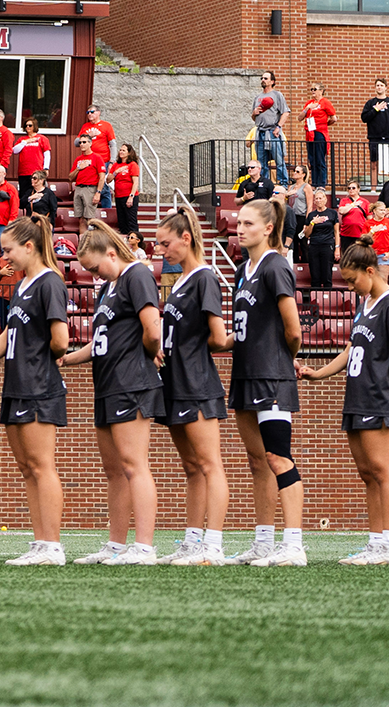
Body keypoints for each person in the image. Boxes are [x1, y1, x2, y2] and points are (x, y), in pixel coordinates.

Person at [299, 241, 389, 566]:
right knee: (367, 474)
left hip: (380, 396)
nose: (349, 287)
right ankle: (375, 544)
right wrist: (319, 374)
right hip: (357, 396)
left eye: (352, 280)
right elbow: (351, 350)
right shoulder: (365, 303)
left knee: (382, 471)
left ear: (370, 271)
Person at [64, 222, 165, 566]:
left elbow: (152, 329)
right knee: (114, 471)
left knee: (135, 465)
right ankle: (116, 545)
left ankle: (145, 547)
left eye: (95, 267)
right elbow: (101, 340)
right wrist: (68, 359)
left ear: (111, 253)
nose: (94, 275)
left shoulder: (136, 275)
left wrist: (147, 354)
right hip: (107, 384)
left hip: (131, 382)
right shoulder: (109, 287)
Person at [0, 215, 71, 565]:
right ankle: (40, 541)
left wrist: (43, 357)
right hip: (17, 383)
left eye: (9, 250)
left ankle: (52, 546)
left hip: (38, 384)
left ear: (29, 247)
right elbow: (9, 332)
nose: (5, 257)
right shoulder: (24, 284)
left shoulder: (49, 282)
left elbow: (61, 340)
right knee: (28, 468)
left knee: (41, 466)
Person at [213, 199, 306, 566]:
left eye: (249, 223)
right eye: (239, 222)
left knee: (278, 457)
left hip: (271, 376)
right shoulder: (242, 270)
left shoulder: (276, 265)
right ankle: (263, 542)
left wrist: (284, 358)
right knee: (257, 461)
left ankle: (294, 545)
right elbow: (244, 330)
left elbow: (293, 330)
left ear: (268, 228)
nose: (240, 228)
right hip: (245, 374)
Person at [153, 208, 237, 566]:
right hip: (174, 381)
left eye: (165, 243)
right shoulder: (181, 280)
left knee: (209, 464)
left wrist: (247, 336)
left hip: (197, 382)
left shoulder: (204, 278)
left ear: (186, 238)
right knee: (191, 467)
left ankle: (213, 546)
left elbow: (217, 338)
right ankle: (191, 542)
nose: (161, 250)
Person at [297, 184, 338, 306]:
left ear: (325, 199)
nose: (318, 200)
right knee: (315, 274)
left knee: (327, 274)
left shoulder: (332, 213)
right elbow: (307, 234)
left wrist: (337, 248)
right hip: (314, 245)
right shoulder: (311, 215)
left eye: (321, 198)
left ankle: (328, 302)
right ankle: (315, 302)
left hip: (328, 245)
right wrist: (312, 223)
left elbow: (336, 232)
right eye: (317, 199)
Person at [253, 72, 289, 185]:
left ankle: (283, 183)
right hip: (260, 132)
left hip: (272, 132)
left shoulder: (277, 95)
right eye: (262, 78)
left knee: (279, 160)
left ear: (272, 81)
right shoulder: (257, 97)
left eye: (265, 78)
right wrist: (254, 113)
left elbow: (285, 112)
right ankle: (264, 184)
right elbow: (254, 118)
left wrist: (278, 127)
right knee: (261, 162)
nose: (263, 80)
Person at [362, 79, 389, 178]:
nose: (379, 87)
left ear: (386, 87)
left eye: (381, 85)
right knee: (374, 164)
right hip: (374, 137)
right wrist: (375, 109)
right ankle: (374, 186)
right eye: (377, 85)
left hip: (388, 138)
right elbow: (364, 118)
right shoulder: (370, 103)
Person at [13, 118, 52, 206]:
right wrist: (25, 142)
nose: (28, 127)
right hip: (24, 172)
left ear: (35, 126)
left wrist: (46, 168)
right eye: (26, 125)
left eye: (30, 125)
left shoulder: (42, 138)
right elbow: (15, 150)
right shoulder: (22, 139)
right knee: (24, 194)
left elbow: (47, 154)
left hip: (37, 171)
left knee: (38, 193)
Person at [302, 83, 334, 186]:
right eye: (311, 89)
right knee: (312, 160)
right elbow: (300, 117)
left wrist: (324, 124)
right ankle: (314, 183)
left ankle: (321, 183)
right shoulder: (309, 103)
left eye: (315, 89)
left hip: (320, 133)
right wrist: (307, 108)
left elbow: (333, 118)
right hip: (310, 133)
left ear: (321, 91)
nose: (313, 91)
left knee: (320, 159)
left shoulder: (325, 102)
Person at [71, 136, 105, 221]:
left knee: (90, 218)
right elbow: (70, 177)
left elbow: (102, 177)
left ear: (90, 143)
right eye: (80, 142)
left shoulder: (97, 157)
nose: (82, 144)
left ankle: (91, 230)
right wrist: (78, 168)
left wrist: (98, 192)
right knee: (80, 218)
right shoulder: (78, 159)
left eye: (84, 142)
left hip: (90, 188)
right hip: (78, 188)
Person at [109, 143, 140, 234]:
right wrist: (115, 172)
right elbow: (108, 180)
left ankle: (134, 239)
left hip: (129, 196)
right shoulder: (116, 165)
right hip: (119, 196)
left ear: (129, 153)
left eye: (124, 150)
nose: (121, 152)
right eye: (120, 150)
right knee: (122, 221)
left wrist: (131, 196)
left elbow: (135, 182)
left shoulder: (132, 164)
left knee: (131, 220)